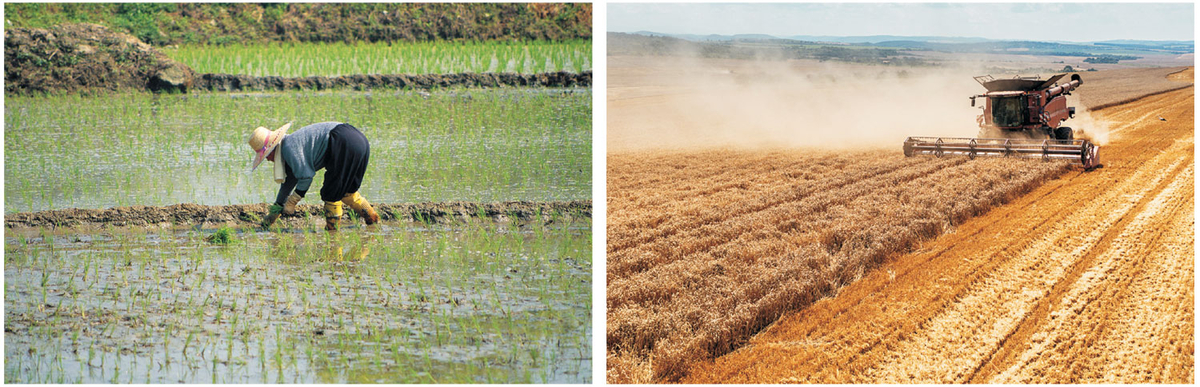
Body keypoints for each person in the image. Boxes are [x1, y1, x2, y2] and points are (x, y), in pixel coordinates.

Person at [246, 122, 379, 231]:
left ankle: (333, 233)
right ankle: (372, 219)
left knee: (331, 194)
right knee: (346, 191)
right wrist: (275, 211)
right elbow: (288, 183)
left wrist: (293, 200)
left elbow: (306, 177)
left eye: (266, 155)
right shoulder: (288, 148)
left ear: (272, 149)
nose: (268, 160)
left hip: (341, 141)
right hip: (358, 139)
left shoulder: (289, 148)